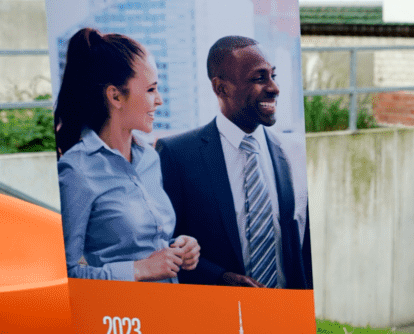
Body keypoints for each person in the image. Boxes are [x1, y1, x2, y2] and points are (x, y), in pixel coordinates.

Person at [156, 36, 311, 289]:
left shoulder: (293, 152)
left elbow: (303, 248)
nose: (274, 88)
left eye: (272, 75)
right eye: (259, 78)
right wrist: (219, 278)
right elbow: (163, 243)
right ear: (221, 88)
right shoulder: (176, 155)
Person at [56, 28, 200, 282]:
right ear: (115, 96)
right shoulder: (76, 170)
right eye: (151, 90)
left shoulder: (149, 158)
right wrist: (139, 270)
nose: (159, 101)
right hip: (123, 319)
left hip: (171, 308)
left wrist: (180, 247)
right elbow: (66, 275)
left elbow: (152, 243)